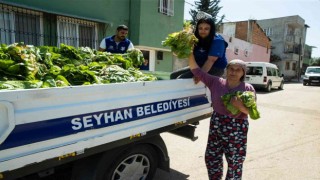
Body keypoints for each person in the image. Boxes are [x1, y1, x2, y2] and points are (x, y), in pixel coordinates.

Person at [189, 53, 256, 179]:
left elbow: (252, 113)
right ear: (227, 70)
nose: (233, 72)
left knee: (234, 161)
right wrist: (190, 52)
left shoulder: (248, 88)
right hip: (217, 123)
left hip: (237, 127)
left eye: (238, 70)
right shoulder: (216, 82)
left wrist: (239, 106)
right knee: (212, 157)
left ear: (243, 73)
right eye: (231, 68)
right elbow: (197, 71)